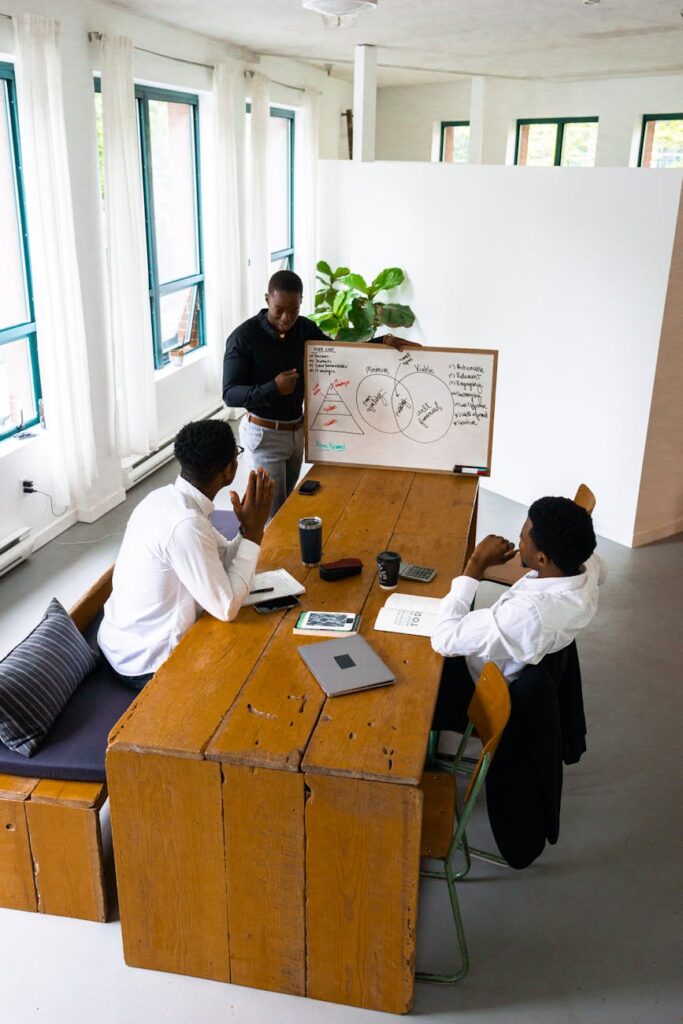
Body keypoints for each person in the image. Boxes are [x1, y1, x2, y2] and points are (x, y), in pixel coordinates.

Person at [222, 269, 419, 516]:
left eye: (293, 310)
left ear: (301, 303)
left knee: (285, 509)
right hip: (264, 435)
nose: (286, 317)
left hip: (296, 433)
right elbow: (230, 394)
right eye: (279, 309)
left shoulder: (304, 328)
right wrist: (273, 387)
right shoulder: (243, 337)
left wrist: (381, 342)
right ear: (267, 300)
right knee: (272, 515)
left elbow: (338, 353)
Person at [98, 420, 273, 688]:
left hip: (119, 642)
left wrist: (247, 528)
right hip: (144, 662)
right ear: (230, 470)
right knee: (259, 662)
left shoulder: (165, 499)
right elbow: (226, 608)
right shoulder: (186, 524)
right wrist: (254, 534)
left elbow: (222, 556)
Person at [431, 496, 606, 729]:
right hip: (510, 655)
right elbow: (601, 573)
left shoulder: (527, 615)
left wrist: (475, 565)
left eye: (522, 538)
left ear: (542, 559)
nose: (519, 541)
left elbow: (443, 639)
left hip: (479, 690)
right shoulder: (588, 566)